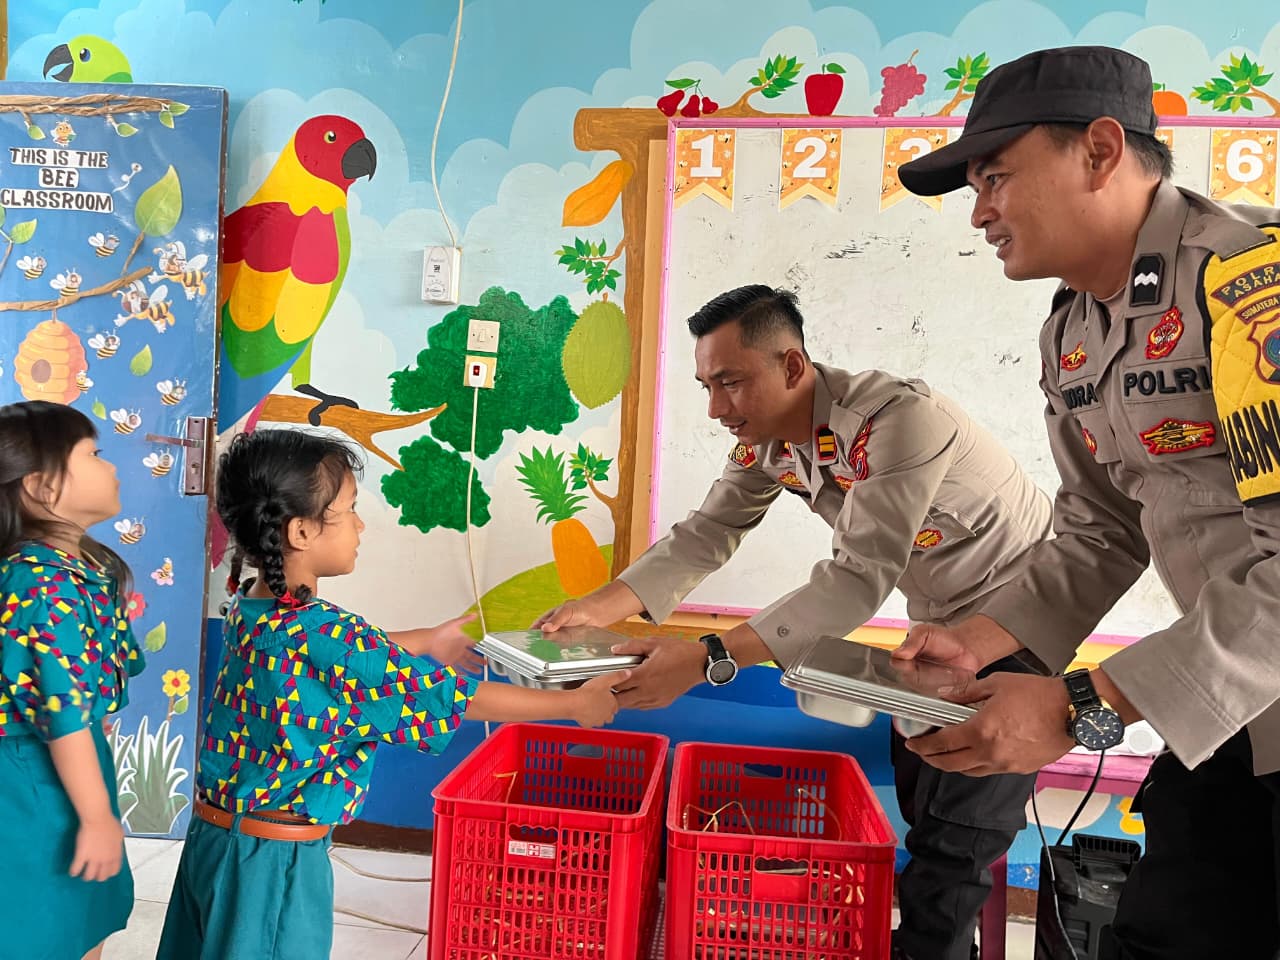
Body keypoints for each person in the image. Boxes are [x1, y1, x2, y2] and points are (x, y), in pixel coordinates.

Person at [895, 44, 1280, 959]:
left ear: (1101, 151)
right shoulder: (1073, 331)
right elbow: (1099, 528)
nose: (980, 210)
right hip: (1234, 695)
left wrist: (1084, 704)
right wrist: (984, 638)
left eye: (996, 176)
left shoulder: (1251, 288)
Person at [536, 284, 1052, 960]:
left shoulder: (900, 421)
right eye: (705, 386)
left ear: (790, 366)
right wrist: (598, 608)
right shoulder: (768, 445)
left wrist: (704, 658)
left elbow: (857, 576)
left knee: (959, 837)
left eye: (730, 383)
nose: (717, 409)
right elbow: (704, 535)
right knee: (927, 799)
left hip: (1021, 623)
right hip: (939, 627)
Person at [156, 429, 627, 960]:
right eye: (350, 509)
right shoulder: (329, 636)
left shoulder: (252, 607)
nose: (360, 524)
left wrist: (428, 640)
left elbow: (332, 665)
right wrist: (572, 704)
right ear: (302, 531)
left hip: (215, 842)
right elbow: (453, 699)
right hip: (274, 866)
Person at [0, 400, 146, 960]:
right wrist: (95, 815)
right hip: (30, 783)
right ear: (42, 487)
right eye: (93, 454)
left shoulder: (87, 569)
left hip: (73, 770)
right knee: (42, 926)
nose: (110, 467)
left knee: (80, 921)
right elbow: (64, 718)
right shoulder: (39, 584)